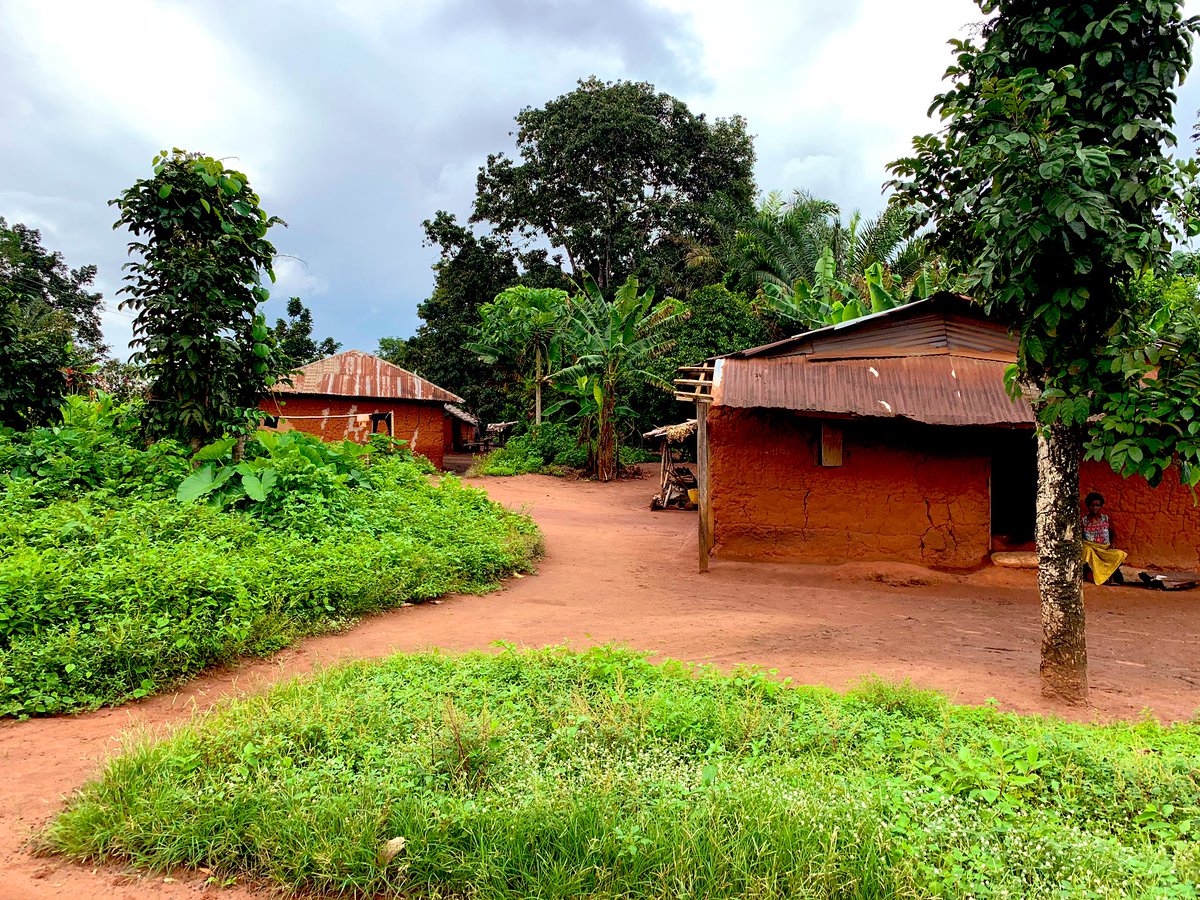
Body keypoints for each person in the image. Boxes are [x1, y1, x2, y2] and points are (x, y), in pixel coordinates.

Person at [1081, 492, 1127, 585]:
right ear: (1088, 506)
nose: (1094, 508)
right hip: (1092, 550)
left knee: (1119, 554)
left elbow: (1113, 534)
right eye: (1092, 505)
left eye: (1097, 505)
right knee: (1087, 550)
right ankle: (1096, 574)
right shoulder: (1083, 521)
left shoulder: (1106, 519)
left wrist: (1113, 544)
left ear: (1101, 506)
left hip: (1104, 549)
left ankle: (1110, 576)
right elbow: (1080, 537)